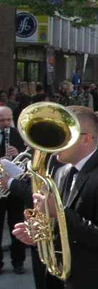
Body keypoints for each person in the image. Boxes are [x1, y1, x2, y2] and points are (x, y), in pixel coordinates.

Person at [13, 106, 98, 289]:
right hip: (63, 278)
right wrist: (39, 235)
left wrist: (60, 212)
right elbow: (62, 228)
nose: (56, 143)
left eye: (64, 135)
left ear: (86, 139)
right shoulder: (61, 171)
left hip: (96, 281)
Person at [0, 106, 27, 274]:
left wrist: (18, 152)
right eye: (2, 121)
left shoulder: (18, 134)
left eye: (8, 120)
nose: (5, 124)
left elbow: (27, 158)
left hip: (14, 188)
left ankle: (18, 262)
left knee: (16, 224)